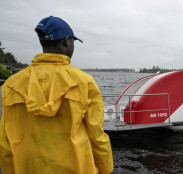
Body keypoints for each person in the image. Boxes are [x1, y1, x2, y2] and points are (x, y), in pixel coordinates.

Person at [0, 16, 113, 174]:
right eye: (73, 41)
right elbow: (97, 135)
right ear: (66, 41)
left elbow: (5, 140)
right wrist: (105, 169)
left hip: (28, 167)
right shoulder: (84, 82)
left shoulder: (11, 84)